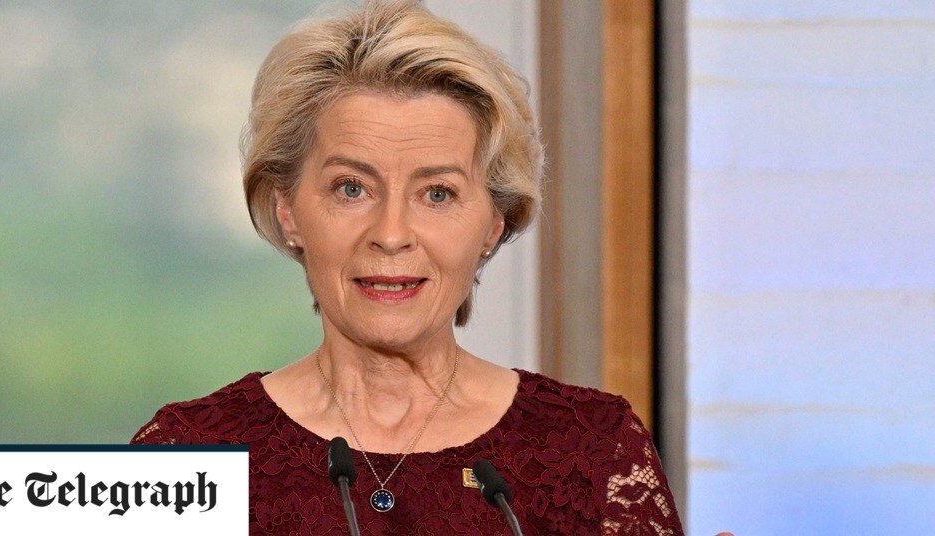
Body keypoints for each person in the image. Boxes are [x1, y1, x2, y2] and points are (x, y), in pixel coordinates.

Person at [130, 1, 685, 533]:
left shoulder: (593, 448)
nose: (391, 234)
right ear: (288, 210)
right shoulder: (186, 455)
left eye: (438, 193)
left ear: (494, 223)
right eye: (352, 188)